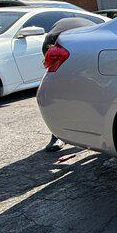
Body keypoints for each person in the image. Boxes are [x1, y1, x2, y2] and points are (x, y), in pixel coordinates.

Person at [42, 17, 96, 152]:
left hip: (90, 40)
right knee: (58, 94)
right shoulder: (51, 44)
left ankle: (96, 129)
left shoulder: (93, 38)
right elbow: (53, 72)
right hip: (64, 41)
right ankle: (58, 135)